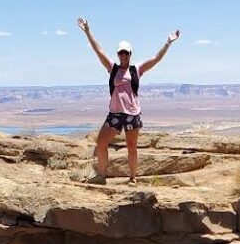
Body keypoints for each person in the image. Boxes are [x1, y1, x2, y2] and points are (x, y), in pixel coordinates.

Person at [77, 18, 181, 184]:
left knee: (132, 148)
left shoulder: (136, 69)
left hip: (132, 114)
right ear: (118, 54)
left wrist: (168, 43)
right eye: (121, 53)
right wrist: (88, 31)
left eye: (126, 53)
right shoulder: (113, 68)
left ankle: (133, 179)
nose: (123, 55)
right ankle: (101, 176)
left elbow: (156, 59)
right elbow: (99, 51)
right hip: (115, 114)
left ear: (130, 54)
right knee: (101, 143)